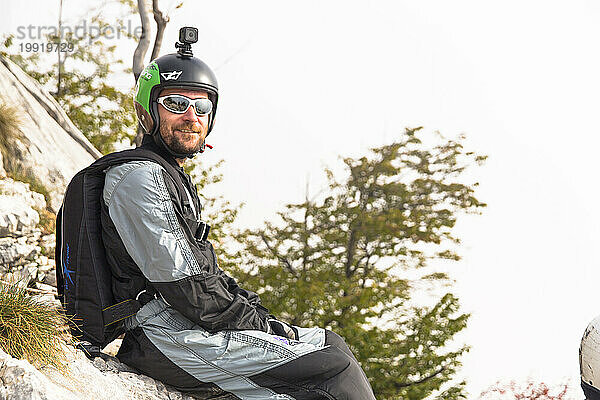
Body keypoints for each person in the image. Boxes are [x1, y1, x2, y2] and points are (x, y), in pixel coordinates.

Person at [101, 30, 376, 399]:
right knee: (333, 372)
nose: (191, 117)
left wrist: (262, 319)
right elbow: (187, 286)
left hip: (183, 325)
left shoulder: (167, 175)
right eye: (177, 103)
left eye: (201, 108)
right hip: (163, 334)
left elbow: (203, 276)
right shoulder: (139, 177)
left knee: (330, 342)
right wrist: (258, 324)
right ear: (147, 111)